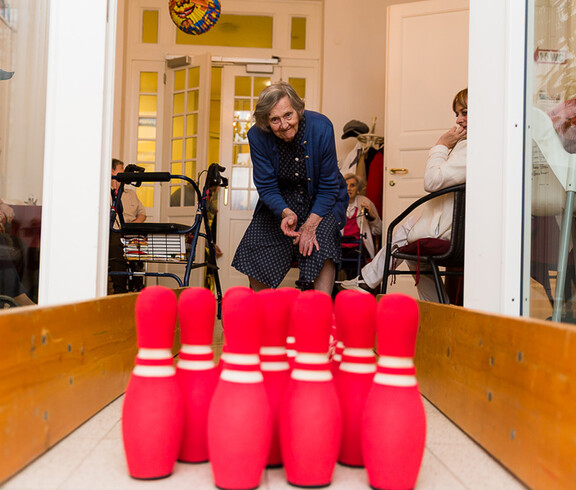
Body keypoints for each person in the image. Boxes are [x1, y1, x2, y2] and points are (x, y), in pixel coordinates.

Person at [342, 88, 468, 302]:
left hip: (454, 230)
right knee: (407, 235)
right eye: (457, 114)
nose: (459, 120)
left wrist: (441, 146)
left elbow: (432, 181)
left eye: (464, 113)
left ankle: (367, 281)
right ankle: (367, 280)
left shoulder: (470, 148)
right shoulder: (465, 146)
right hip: (451, 222)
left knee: (407, 242)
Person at [232, 81, 349, 293]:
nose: (284, 124)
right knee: (255, 244)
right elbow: (266, 186)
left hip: (321, 199)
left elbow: (329, 185)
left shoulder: (321, 127)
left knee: (321, 241)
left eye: (288, 115)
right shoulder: (257, 136)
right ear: (266, 122)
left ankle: (320, 310)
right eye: (274, 120)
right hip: (282, 201)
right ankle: (265, 311)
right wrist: (285, 213)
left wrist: (310, 225)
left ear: (299, 109)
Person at [109, 158, 146, 294]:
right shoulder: (104, 194)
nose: (124, 174)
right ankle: (119, 290)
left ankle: (137, 285)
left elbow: (142, 213)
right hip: (114, 232)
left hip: (131, 231)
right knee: (116, 242)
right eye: (121, 170)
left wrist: (135, 224)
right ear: (112, 171)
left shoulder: (130, 194)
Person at [341, 173, 381, 278]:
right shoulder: (337, 204)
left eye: (352, 185)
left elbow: (379, 230)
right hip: (340, 246)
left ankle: (354, 286)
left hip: (358, 246)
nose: (348, 189)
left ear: (358, 189)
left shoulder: (365, 202)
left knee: (355, 258)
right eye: (346, 186)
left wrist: (372, 216)